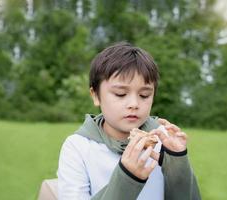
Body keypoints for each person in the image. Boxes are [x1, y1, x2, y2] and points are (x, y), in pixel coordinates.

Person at [57, 42, 201, 200]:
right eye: (120, 94)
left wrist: (178, 160)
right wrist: (127, 178)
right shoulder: (78, 147)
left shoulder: (162, 140)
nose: (134, 104)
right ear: (96, 95)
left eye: (144, 95)